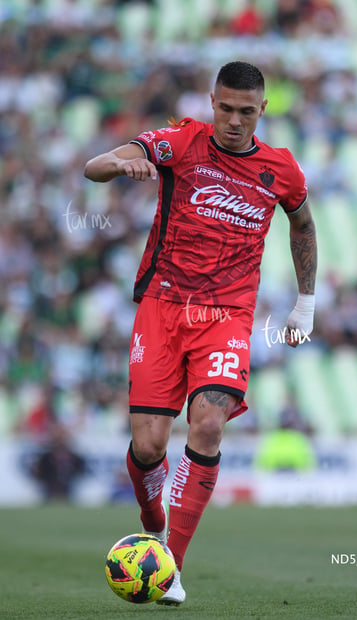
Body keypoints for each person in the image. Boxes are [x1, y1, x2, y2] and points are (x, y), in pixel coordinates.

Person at [84, 61, 317, 605]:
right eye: (225, 108)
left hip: (227, 315)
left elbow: (303, 223)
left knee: (208, 425)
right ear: (212, 101)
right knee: (148, 446)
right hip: (162, 308)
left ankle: (171, 566)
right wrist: (122, 165)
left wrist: (305, 303)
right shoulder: (181, 143)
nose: (234, 121)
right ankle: (153, 524)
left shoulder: (281, 169)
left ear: (263, 110)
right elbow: (96, 166)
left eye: (246, 111)